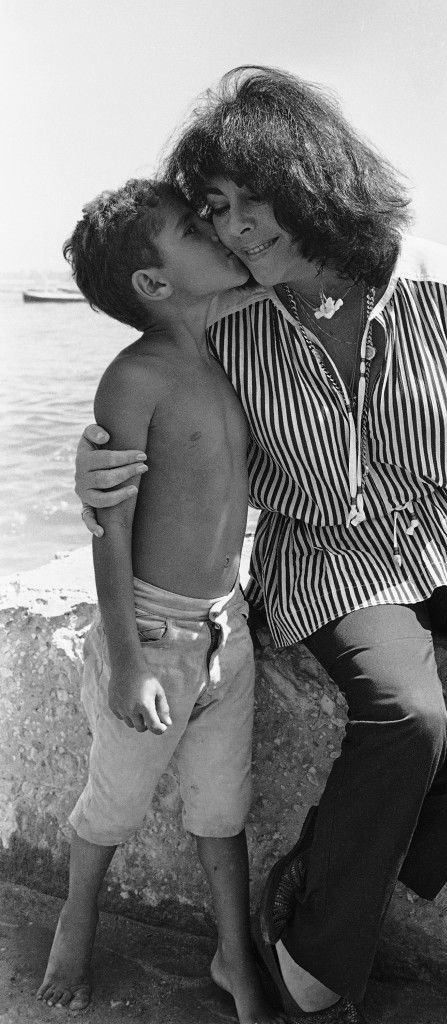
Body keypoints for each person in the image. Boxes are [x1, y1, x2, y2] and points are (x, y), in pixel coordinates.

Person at [74, 68, 447, 1024]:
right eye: (217, 211)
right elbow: (153, 385)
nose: (236, 230)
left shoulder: (444, 279)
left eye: (251, 199)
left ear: (312, 176)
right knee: (409, 715)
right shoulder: (235, 313)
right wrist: (94, 462)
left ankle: (351, 863)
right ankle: (319, 950)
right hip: (329, 553)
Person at [38, 178, 282, 1024]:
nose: (219, 232)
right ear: (153, 283)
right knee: (116, 800)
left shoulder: (219, 345)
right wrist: (129, 661)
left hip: (228, 629)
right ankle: (78, 916)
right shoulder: (134, 379)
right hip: (151, 629)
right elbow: (111, 527)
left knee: (224, 805)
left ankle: (233, 952)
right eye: (194, 227)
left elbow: (270, 272)